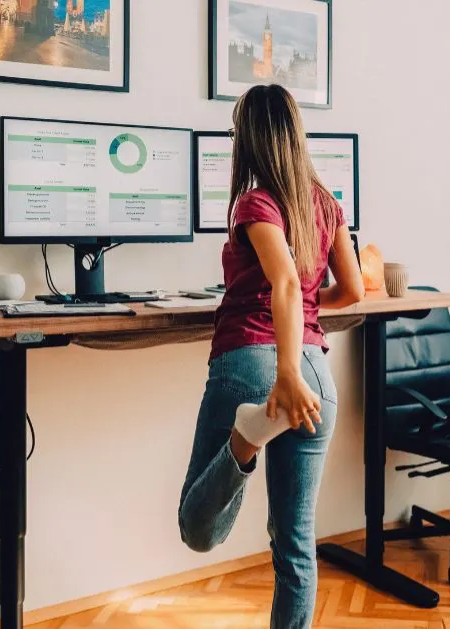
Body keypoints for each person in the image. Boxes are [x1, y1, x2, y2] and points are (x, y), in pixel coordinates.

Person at [177, 84, 366, 629]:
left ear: (248, 141)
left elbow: (284, 280)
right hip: (319, 378)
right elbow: (351, 291)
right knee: (296, 544)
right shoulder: (327, 204)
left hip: (257, 364)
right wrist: (307, 315)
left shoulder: (255, 201)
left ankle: (247, 436)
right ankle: (255, 428)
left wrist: (283, 375)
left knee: (197, 528)